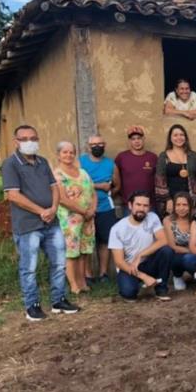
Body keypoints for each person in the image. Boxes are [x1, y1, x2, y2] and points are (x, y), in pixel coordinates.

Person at [2, 125, 77, 321]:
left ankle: (58, 300)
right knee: (29, 267)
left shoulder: (42, 162)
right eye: (24, 138)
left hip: (51, 223)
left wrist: (52, 208)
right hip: (28, 226)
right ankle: (32, 306)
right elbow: (13, 196)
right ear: (16, 142)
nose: (30, 142)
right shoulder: (11, 164)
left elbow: (54, 188)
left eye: (33, 138)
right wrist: (41, 211)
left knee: (59, 263)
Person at [108, 191, 174, 302]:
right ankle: (142, 284)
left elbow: (163, 240)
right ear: (130, 205)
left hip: (149, 263)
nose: (142, 209)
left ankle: (161, 288)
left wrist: (141, 255)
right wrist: (143, 276)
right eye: (138, 205)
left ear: (149, 207)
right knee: (129, 294)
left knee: (166, 251)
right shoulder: (117, 229)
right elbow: (119, 262)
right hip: (129, 267)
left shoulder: (152, 218)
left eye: (145, 206)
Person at [53, 140, 97, 296]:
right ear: (58, 155)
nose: (68, 155)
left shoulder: (83, 172)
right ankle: (73, 285)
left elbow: (93, 193)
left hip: (87, 219)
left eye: (71, 152)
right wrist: (83, 211)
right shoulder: (57, 174)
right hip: (70, 221)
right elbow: (63, 199)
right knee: (72, 253)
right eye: (65, 152)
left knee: (84, 251)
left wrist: (92, 209)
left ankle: (83, 282)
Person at [79, 134, 118, 284]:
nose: (97, 147)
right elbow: (76, 182)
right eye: (94, 144)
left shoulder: (110, 164)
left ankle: (103, 274)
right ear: (88, 147)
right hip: (85, 209)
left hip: (105, 208)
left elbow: (117, 185)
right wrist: (98, 186)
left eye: (100, 144)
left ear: (105, 145)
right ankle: (88, 275)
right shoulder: (80, 162)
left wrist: (108, 193)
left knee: (104, 241)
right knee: (87, 242)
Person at [155, 124, 196, 217]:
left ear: (185, 137)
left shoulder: (193, 155)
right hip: (172, 201)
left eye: (181, 135)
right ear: (170, 138)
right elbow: (159, 182)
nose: (179, 137)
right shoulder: (163, 156)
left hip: (192, 201)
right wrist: (168, 200)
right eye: (175, 135)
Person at [115, 125, 158, 211]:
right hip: (129, 205)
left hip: (149, 204)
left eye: (139, 138)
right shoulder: (121, 157)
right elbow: (115, 177)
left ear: (143, 139)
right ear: (129, 141)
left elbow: (159, 179)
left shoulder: (153, 157)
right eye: (133, 139)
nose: (136, 141)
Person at [162, 192, 192, 291]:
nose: (181, 208)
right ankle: (177, 276)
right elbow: (172, 246)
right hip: (178, 253)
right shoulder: (168, 220)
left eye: (185, 205)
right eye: (178, 205)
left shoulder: (195, 219)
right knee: (174, 257)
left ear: (190, 206)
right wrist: (192, 251)